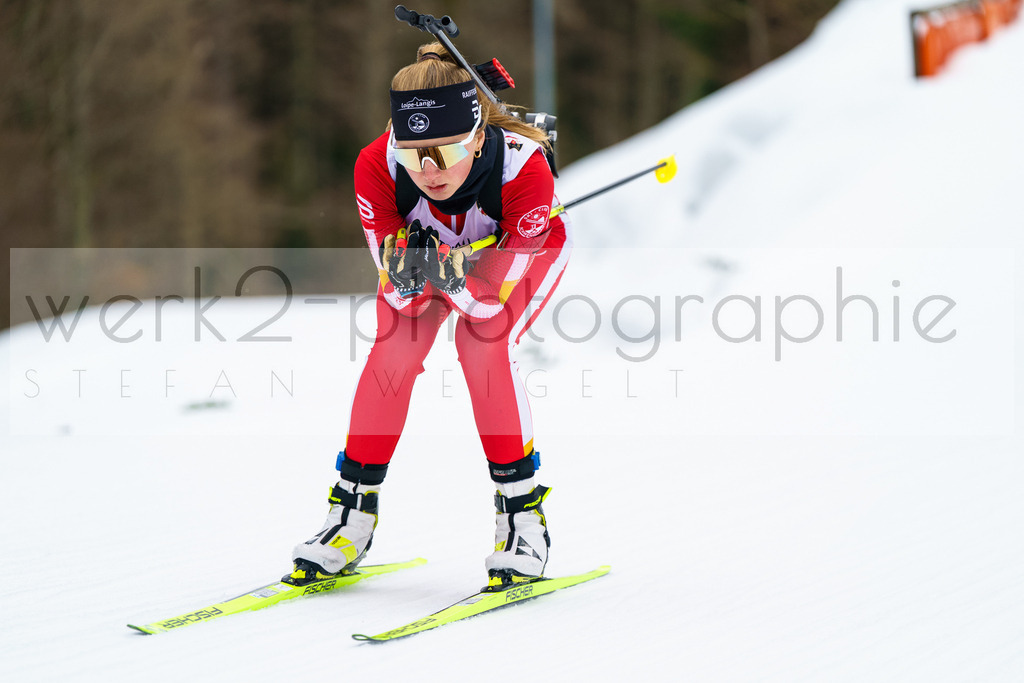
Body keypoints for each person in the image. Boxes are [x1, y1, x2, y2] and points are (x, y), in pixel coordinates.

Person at [286, 43, 571, 590]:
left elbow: (489, 300)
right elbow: (401, 300)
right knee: (394, 347)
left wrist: (457, 277)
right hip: (442, 258)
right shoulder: (376, 165)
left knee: (481, 342)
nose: (428, 171)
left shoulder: (525, 168)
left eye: (444, 151)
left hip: (520, 253)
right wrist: (413, 276)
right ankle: (350, 517)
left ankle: (522, 519)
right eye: (414, 155)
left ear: (478, 136)